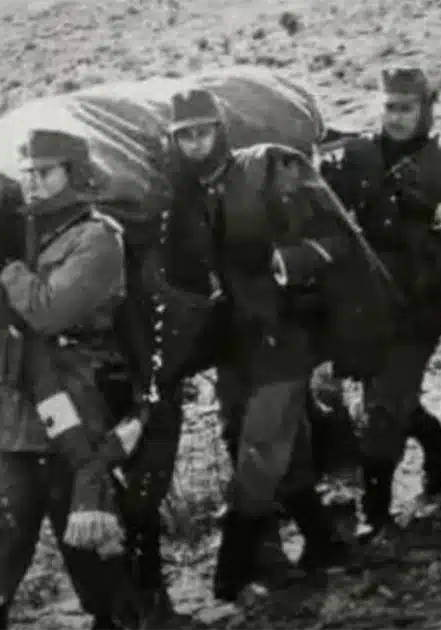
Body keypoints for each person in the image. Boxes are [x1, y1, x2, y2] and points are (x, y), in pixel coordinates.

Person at [154, 88, 353, 605]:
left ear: (220, 129)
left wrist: (286, 263)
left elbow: (336, 239)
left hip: (284, 333)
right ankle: (323, 540)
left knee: (263, 445)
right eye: (184, 136)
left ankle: (232, 564)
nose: (195, 144)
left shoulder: (264, 169)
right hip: (232, 343)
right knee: (258, 436)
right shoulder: (186, 197)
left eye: (202, 131)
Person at [0, 128, 152, 630]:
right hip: (9, 415)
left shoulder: (97, 236)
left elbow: (48, 310)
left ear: (75, 174)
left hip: (75, 409)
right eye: (29, 174)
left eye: (46, 172)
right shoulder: (12, 232)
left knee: (93, 550)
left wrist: (9, 268)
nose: (35, 184)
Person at [318, 65, 441, 542]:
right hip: (370, 299)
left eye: (407, 107)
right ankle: (437, 442)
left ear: (427, 106)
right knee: (379, 389)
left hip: (425, 299)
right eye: (389, 106)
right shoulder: (357, 156)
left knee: (384, 403)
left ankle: (377, 509)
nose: (397, 117)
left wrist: (434, 214)